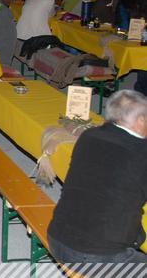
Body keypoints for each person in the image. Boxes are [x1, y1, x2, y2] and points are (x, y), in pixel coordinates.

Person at [48, 90, 147, 276]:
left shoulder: (89, 135)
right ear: (140, 120)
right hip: (94, 256)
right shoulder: (141, 153)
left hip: (56, 238)